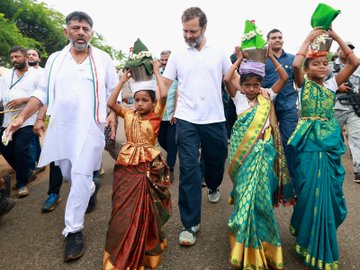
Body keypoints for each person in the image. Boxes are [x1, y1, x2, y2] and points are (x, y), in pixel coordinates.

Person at [5, 11, 119, 261]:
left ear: (91, 33)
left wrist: (113, 113)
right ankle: (90, 187)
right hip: (62, 127)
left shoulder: (102, 59)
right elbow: (41, 94)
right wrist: (21, 118)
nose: (81, 32)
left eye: (86, 29)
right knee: (68, 173)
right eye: (76, 28)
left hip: (91, 127)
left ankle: (73, 230)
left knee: (78, 174)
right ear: (67, 31)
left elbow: (114, 90)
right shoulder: (55, 60)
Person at [289, 27, 358, 269]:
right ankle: (307, 238)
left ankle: (322, 237)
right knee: (308, 191)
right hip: (309, 144)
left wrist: (336, 37)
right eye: (316, 64)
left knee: (330, 194)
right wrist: (309, 38)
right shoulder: (302, 85)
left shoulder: (331, 85)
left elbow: (354, 61)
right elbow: (296, 66)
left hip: (328, 144)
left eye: (324, 63)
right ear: (308, 70)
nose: (322, 67)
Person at [162, 7, 230, 246]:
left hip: (214, 119)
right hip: (186, 119)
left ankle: (213, 185)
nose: (188, 35)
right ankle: (190, 224)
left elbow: (232, 83)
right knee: (189, 170)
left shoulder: (219, 53)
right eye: (185, 31)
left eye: (193, 31)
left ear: (204, 28)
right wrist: (146, 75)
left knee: (216, 160)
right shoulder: (177, 55)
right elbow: (164, 86)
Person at [224, 44, 292, 269]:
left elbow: (284, 75)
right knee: (244, 194)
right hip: (242, 156)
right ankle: (242, 238)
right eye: (248, 85)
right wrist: (239, 59)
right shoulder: (238, 99)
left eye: (256, 84)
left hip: (263, 156)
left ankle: (263, 242)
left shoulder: (267, 96)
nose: (252, 89)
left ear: (260, 84)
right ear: (241, 87)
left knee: (261, 197)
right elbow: (227, 79)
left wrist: (271, 56)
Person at [102, 61, 172, 269]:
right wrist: (123, 80)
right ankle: (124, 247)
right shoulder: (129, 114)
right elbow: (111, 102)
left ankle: (147, 245)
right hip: (126, 164)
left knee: (148, 207)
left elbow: (165, 95)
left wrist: (158, 72)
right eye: (136, 99)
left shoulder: (156, 115)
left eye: (144, 100)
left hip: (149, 167)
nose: (139, 103)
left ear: (152, 103)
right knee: (123, 207)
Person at [0, 46, 40, 198]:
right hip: (7, 119)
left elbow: (42, 96)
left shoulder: (36, 75)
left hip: (27, 119)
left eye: (17, 57)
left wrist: (23, 99)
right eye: (12, 58)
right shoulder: (6, 77)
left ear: (25, 57)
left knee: (19, 150)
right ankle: (28, 172)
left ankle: (22, 184)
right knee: (5, 148)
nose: (14, 60)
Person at [262, 29, 298, 184]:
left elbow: (300, 81)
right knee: (267, 142)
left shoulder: (292, 59)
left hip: (288, 105)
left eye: (280, 37)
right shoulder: (262, 60)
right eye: (273, 38)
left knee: (288, 141)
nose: (277, 40)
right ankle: (270, 179)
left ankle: (290, 179)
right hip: (267, 106)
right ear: (268, 41)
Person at [328, 42, 360, 182]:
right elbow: (319, 84)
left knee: (357, 138)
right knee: (332, 139)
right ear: (337, 50)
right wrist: (336, 86)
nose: (346, 52)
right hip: (336, 106)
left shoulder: (358, 68)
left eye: (350, 50)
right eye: (343, 49)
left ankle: (358, 169)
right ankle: (329, 168)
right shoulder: (328, 66)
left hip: (354, 108)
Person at [158, 50, 178, 180]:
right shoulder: (157, 76)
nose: (164, 63)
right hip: (160, 116)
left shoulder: (177, 76)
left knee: (172, 142)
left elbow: (178, 95)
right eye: (162, 60)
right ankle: (174, 151)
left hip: (172, 116)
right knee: (161, 140)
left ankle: (170, 168)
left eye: (167, 60)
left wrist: (176, 113)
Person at [27, 48, 44, 174]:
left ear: (39, 58)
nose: (31, 56)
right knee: (33, 138)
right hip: (24, 110)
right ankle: (40, 161)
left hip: (39, 109)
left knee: (32, 138)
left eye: (34, 54)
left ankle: (31, 167)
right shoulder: (24, 73)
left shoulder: (43, 73)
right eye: (28, 55)